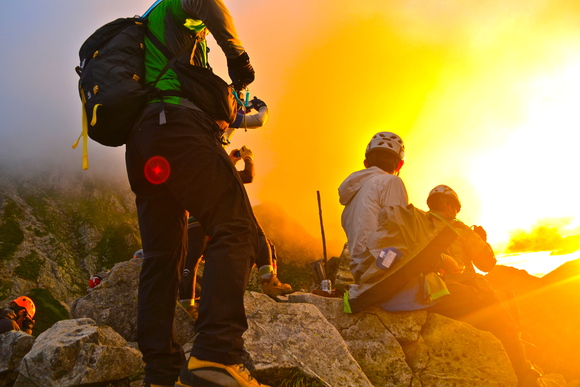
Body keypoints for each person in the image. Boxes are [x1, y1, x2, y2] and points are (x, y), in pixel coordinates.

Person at [123, 0, 268, 386]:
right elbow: (206, 3)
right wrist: (240, 63)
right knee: (236, 225)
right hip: (176, 128)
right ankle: (216, 355)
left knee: (162, 257)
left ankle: (160, 373)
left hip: (146, 141)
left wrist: (250, 113)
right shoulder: (178, 7)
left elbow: (227, 113)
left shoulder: (165, 38)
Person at [425, 185, 541, 386]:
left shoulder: (420, 224)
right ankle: (523, 371)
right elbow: (487, 264)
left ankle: (517, 339)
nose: (456, 212)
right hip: (458, 293)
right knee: (499, 312)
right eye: (455, 207)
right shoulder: (459, 227)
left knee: (507, 295)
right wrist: (481, 239)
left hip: (429, 293)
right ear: (450, 205)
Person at [179, 143, 292, 313]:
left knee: (192, 261)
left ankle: (188, 305)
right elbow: (248, 176)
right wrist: (248, 158)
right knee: (257, 234)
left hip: (196, 222)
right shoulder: (211, 169)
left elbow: (219, 176)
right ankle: (269, 280)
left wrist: (230, 162)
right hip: (214, 222)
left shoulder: (196, 171)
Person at [338, 131, 408, 282]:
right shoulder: (392, 182)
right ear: (400, 164)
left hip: (359, 268)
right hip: (380, 267)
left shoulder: (351, 198)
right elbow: (399, 230)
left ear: (366, 163)